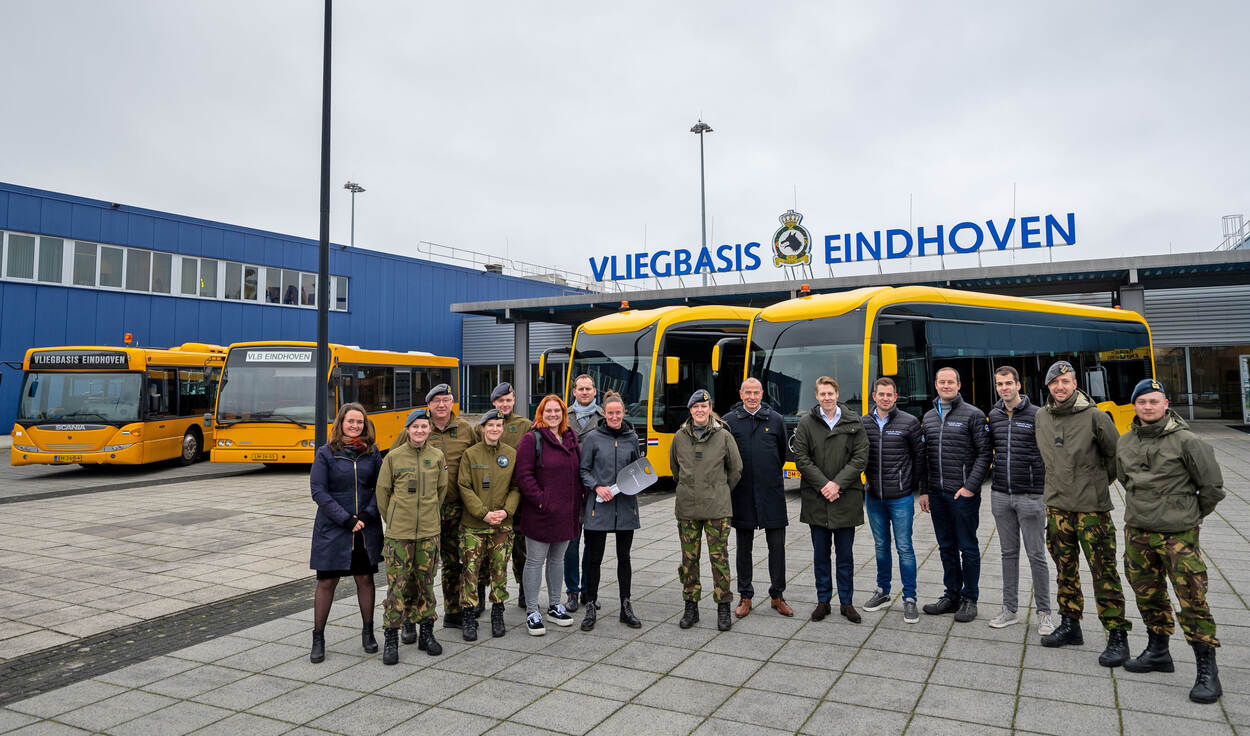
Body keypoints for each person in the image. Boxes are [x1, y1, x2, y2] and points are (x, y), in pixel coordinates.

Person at [1117, 379, 1225, 704]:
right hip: (1138, 532)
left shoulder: (1187, 441)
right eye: (1142, 402)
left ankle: (1207, 669)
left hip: (1177, 536)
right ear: (1135, 406)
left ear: (1166, 404)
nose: (1148, 407)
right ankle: (1158, 651)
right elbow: (1124, 478)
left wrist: (1191, 516)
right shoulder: (1125, 441)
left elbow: (1212, 487)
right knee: (1147, 594)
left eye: (1154, 401)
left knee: (1192, 598)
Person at [1034, 360, 1131, 667]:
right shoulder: (1041, 416)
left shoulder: (1096, 416)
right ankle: (1070, 624)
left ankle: (1117, 635)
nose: (1059, 387)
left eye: (1065, 381)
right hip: (1057, 507)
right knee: (1065, 569)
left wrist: (1094, 484)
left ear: (1075, 384)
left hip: (1092, 510)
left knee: (1104, 572)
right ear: (1048, 387)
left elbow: (1116, 458)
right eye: (1054, 383)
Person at [393, 384, 475, 631]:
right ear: (428, 404)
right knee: (416, 566)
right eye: (436, 400)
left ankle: (453, 611)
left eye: (446, 400)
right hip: (423, 511)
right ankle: (410, 617)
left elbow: (477, 458)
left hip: (456, 508)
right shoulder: (418, 426)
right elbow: (393, 462)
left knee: (454, 562)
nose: (441, 405)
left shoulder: (465, 429)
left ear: (452, 402)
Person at [308, 403, 385, 663]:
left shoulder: (373, 453)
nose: (355, 426)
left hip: (365, 528)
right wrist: (345, 519)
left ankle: (368, 632)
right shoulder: (325, 453)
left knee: (365, 579)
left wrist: (366, 515)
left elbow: (381, 487)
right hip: (333, 528)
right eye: (350, 421)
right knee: (327, 582)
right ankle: (318, 637)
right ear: (340, 423)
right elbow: (318, 491)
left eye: (359, 422)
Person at [793, 376, 869, 624]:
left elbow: (860, 457)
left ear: (837, 394)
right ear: (816, 396)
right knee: (821, 556)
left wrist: (837, 484)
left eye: (830, 393)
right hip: (817, 500)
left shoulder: (853, 421)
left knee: (845, 557)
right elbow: (801, 458)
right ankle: (823, 601)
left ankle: (847, 602)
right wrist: (824, 485)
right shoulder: (806, 423)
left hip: (845, 498)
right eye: (822, 394)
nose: (827, 397)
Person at [376, 407, 449, 664]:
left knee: (426, 585)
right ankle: (391, 637)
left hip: (428, 533)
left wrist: (429, 516)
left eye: (424, 426)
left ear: (430, 429)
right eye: (415, 426)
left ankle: (426, 633)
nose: (420, 430)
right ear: (407, 429)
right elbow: (383, 493)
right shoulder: (393, 457)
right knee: (397, 587)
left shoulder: (437, 456)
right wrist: (395, 520)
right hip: (399, 535)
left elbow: (441, 490)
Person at [986, 366, 1054, 635]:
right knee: (1008, 554)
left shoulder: (1038, 414)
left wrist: (1048, 491)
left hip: (1031, 495)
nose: (1004, 388)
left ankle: (1045, 613)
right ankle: (1010, 609)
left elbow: (1050, 453)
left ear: (1018, 384)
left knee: (1036, 555)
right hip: (1001, 494)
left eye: (1008, 383)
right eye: (999, 384)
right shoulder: (994, 415)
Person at [920, 367, 990, 623]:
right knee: (946, 547)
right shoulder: (928, 417)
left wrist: (970, 486)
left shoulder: (974, 415)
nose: (946, 385)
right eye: (942, 382)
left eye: (951, 381)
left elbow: (985, 454)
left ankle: (970, 598)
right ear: (936, 385)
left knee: (968, 547)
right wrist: (924, 490)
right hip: (937, 495)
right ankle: (952, 595)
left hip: (963, 495)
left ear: (959, 385)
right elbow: (925, 458)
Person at [670, 389, 743, 631]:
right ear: (690, 410)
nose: (700, 410)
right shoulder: (679, 437)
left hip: (717, 510)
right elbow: (675, 470)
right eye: (695, 407)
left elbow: (736, 470)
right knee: (689, 560)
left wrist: (719, 490)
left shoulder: (724, 436)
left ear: (710, 409)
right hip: (688, 509)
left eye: (704, 406)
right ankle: (691, 606)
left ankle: (723, 607)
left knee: (719, 559)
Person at [723, 377, 793, 619]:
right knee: (744, 549)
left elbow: (781, 454)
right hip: (742, 494)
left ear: (762, 394)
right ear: (741, 394)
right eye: (748, 393)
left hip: (771, 493)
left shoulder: (776, 420)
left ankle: (777, 596)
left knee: (777, 548)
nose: (752, 397)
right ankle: (745, 596)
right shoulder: (729, 421)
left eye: (756, 393)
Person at [515, 394, 582, 635]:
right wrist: (542, 501)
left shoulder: (570, 438)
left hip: (566, 513)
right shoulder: (531, 439)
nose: (553, 415)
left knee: (557, 560)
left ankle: (555, 606)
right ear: (541, 414)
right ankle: (533, 611)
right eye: (548, 411)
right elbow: (523, 476)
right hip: (540, 514)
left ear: (564, 414)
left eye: (557, 411)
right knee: (535, 561)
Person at [576, 390, 643, 631]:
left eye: (618, 413)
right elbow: (583, 470)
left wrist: (636, 482)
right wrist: (597, 486)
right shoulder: (593, 438)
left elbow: (637, 469)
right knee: (594, 559)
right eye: (610, 413)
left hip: (625, 507)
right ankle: (590, 604)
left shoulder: (632, 438)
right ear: (604, 413)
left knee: (624, 558)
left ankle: (626, 606)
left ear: (624, 413)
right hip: (599, 507)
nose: (615, 417)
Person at [860, 377, 924, 624]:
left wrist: (910, 485)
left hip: (900, 498)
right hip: (874, 497)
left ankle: (910, 598)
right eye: (881, 394)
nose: (885, 398)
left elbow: (920, 457)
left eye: (889, 394)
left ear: (895, 397)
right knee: (880, 546)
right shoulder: (864, 423)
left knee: (904, 547)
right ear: (874, 396)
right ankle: (883, 591)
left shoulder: (909, 422)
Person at [458, 409, 521, 641]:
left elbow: (516, 487)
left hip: (502, 526)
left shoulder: (511, 454)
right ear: (483, 428)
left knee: (499, 571)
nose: (495, 429)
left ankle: (497, 613)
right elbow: (464, 486)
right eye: (491, 425)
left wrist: (506, 511)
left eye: (499, 425)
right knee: (470, 571)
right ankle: (468, 614)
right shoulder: (471, 454)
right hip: (474, 525)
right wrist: (483, 513)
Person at [473, 382, 533, 614]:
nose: (505, 404)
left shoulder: (525, 425)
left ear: (514, 400)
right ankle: (480, 596)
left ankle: (525, 593)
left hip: (517, 499)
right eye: (500, 401)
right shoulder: (482, 425)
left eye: (508, 400)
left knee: (521, 550)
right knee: (484, 552)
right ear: (493, 402)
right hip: (489, 499)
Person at [564, 373, 604, 613]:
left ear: (595, 391)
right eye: (581, 389)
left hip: (594, 489)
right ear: (574, 392)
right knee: (570, 545)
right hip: (569, 489)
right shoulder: (563, 416)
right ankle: (572, 591)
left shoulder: (603, 417)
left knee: (592, 544)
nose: (585, 392)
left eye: (589, 389)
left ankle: (589, 590)